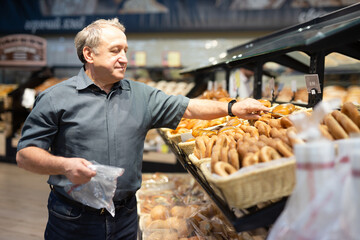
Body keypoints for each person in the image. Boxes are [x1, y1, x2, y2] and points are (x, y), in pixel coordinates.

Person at [16, 18, 269, 240]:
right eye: (115, 51)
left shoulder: (141, 95)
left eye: (125, 50)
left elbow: (189, 108)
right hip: (73, 218)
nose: (124, 58)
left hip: (125, 217)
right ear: (89, 54)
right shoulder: (55, 97)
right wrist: (65, 166)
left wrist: (232, 107)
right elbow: (25, 154)